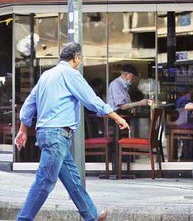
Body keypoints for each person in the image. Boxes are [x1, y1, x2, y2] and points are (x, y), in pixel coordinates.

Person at [14, 42, 129, 221]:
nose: (80, 61)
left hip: (48, 135)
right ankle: (23, 219)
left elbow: (30, 103)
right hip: (57, 135)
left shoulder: (47, 75)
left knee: (73, 180)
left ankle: (91, 216)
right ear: (76, 58)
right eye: (80, 58)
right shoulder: (70, 74)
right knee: (45, 181)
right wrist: (116, 117)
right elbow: (91, 99)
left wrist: (22, 130)